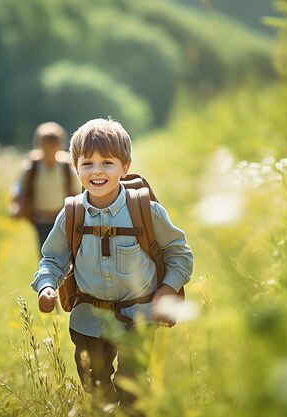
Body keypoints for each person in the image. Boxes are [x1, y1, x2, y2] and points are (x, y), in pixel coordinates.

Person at [30, 118, 193, 412]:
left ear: (125, 166)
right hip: (89, 320)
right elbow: (52, 258)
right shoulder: (72, 214)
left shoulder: (145, 211)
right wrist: (45, 286)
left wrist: (168, 288)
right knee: (96, 391)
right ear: (75, 167)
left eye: (107, 162)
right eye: (87, 163)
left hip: (139, 316)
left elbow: (179, 253)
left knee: (133, 386)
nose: (97, 171)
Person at [10, 122, 80, 256]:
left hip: (61, 218)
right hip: (39, 219)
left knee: (64, 253)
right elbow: (19, 188)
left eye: (53, 145)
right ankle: (48, 276)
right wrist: (16, 204)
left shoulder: (65, 167)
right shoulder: (31, 167)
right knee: (45, 253)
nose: (49, 150)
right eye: (46, 145)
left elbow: (76, 191)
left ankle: (63, 276)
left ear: (59, 145)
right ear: (39, 145)